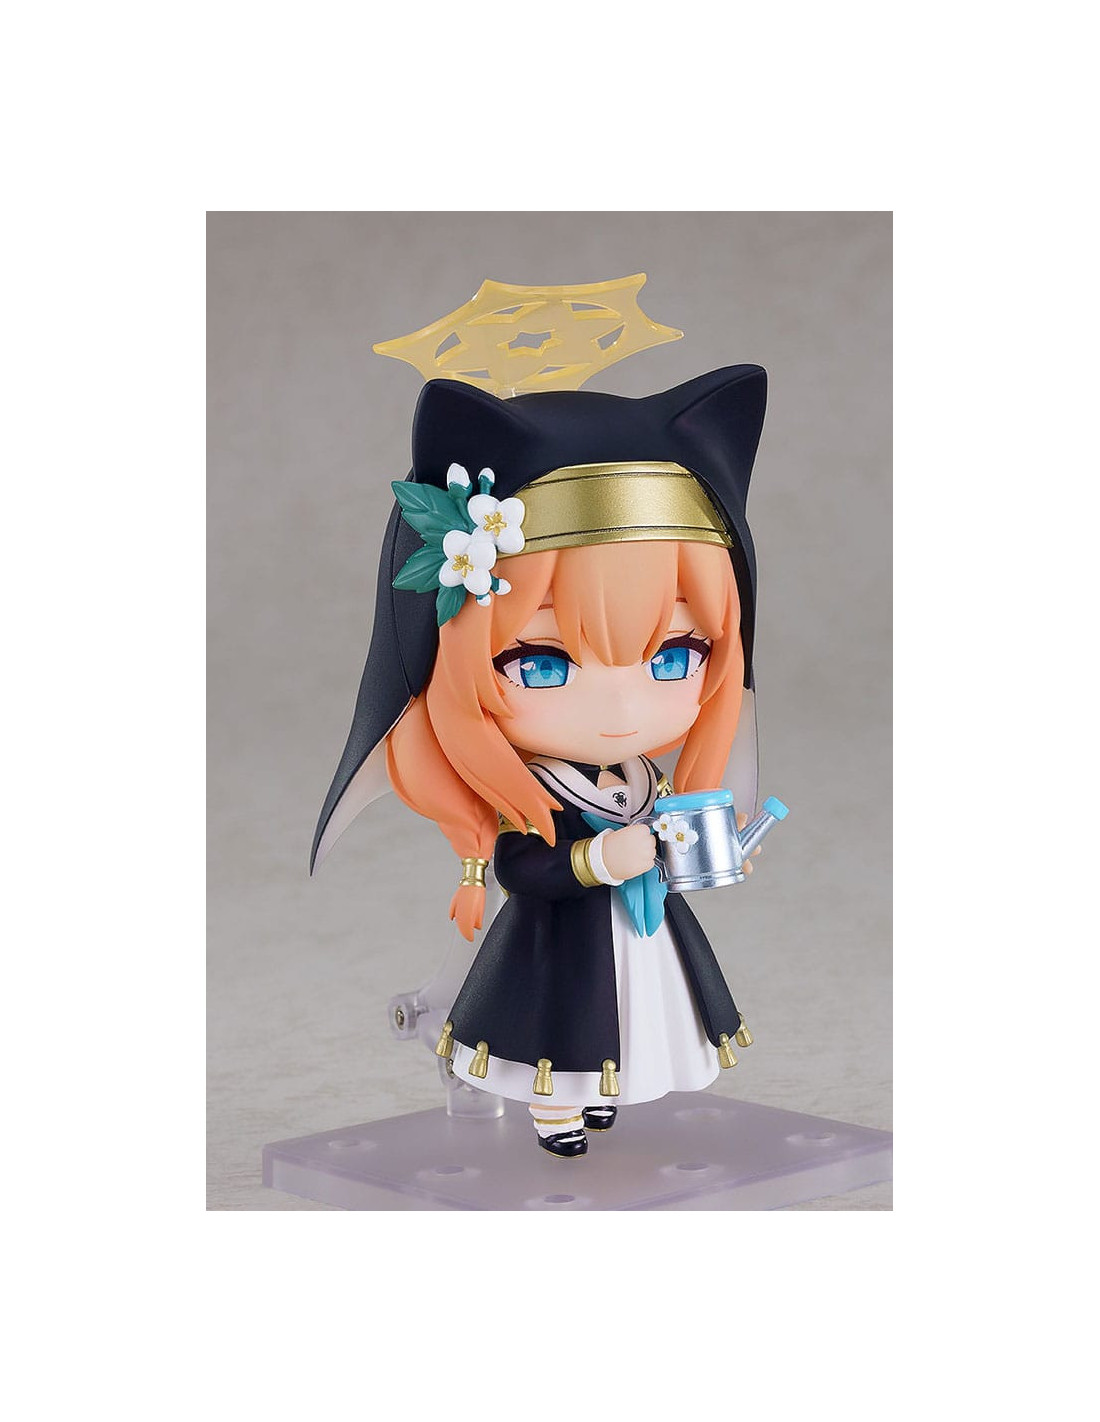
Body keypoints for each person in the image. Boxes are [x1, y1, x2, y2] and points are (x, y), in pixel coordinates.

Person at [312, 362, 769, 1157]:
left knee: (635, 1014)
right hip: (559, 941)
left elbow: (665, 835)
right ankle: (556, 1109)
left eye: (675, 656)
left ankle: (603, 1092)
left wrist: (707, 851)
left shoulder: (644, 777)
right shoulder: (539, 787)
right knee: (563, 1022)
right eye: (543, 662)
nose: (621, 709)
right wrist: (598, 860)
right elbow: (522, 867)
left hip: (641, 928)